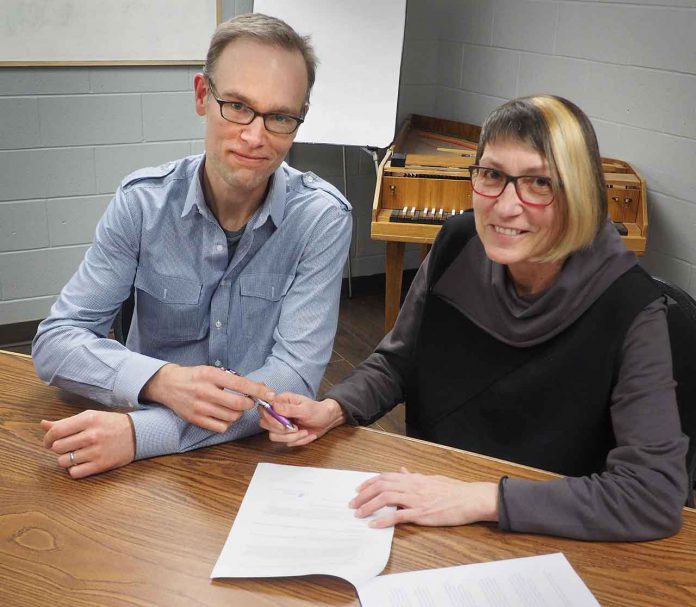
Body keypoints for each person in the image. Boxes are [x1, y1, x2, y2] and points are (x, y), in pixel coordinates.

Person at [259, 95, 689, 541]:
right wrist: (334, 409)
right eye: (492, 175)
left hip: (546, 530)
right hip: (430, 500)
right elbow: (398, 362)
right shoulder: (456, 244)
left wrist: (480, 499)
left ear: (579, 190)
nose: (505, 206)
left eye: (539, 182)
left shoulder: (630, 305)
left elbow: (652, 495)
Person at [32, 14, 352, 479]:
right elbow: (56, 340)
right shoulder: (142, 203)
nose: (255, 136)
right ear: (203, 95)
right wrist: (163, 381)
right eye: (238, 106)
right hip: (138, 459)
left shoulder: (321, 218)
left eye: (280, 117)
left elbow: (292, 381)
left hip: (250, 460)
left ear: (298, 121)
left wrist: (145, 433)